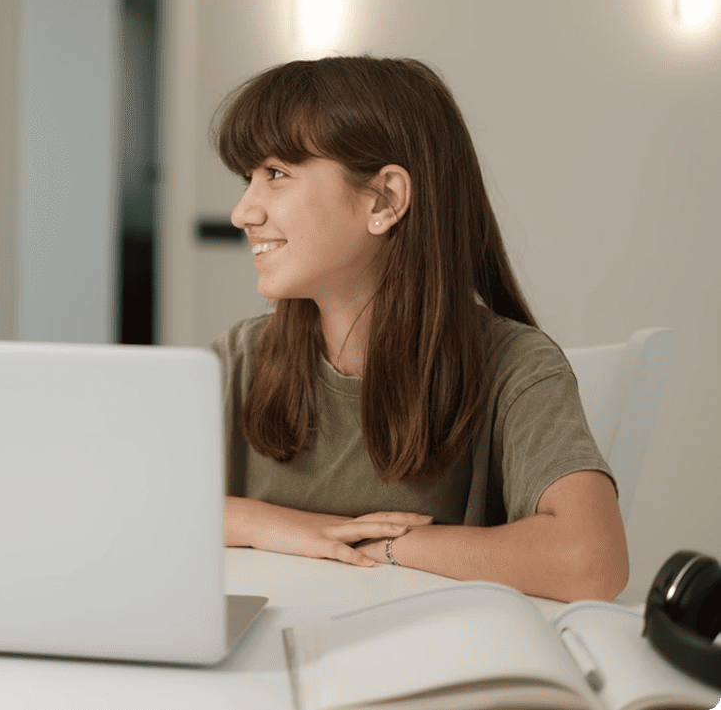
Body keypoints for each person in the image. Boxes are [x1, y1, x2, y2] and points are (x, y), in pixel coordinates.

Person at [212, 56, 627, 602]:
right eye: (249, 178)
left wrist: (389, 547)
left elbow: (589, 563)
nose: (244, 212)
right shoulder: (239, 358)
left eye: (277, 174)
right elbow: (115, 508)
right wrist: (278, 526)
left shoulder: (516, 367)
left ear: (384, 200)